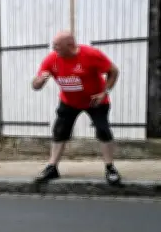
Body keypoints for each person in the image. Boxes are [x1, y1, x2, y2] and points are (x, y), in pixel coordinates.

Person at [31, 30, 121, 185]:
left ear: (70, 45)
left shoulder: (91, 54)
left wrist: (104, 93)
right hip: (69, 102)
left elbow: (113, 71)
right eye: (53, 45)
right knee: (59, 131)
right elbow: (35, 85)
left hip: (95, 101)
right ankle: (52, 167)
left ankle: (110, 168)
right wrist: (39, 81)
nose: (54, 49)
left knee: (103, 130)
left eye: (57, 46)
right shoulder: (52, 59)